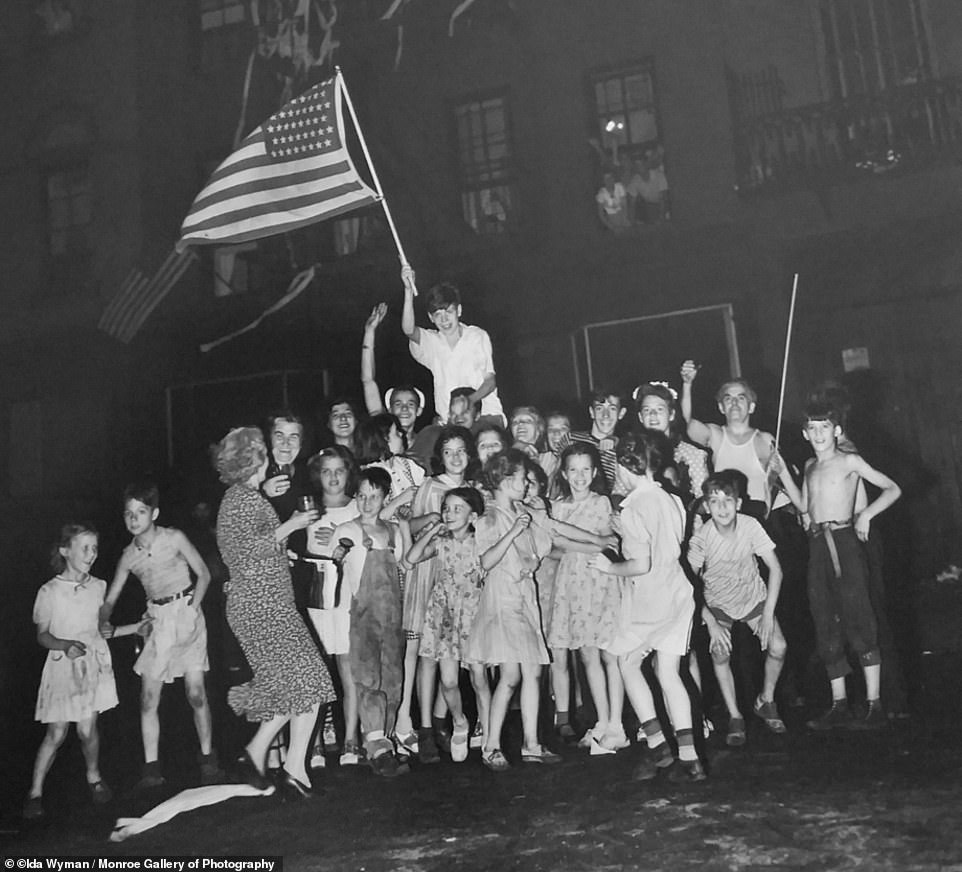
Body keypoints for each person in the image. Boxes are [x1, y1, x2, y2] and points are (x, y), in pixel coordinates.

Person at [214, 426, 335, 799]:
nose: (270, 455)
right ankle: (292, 769)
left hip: (265, 603)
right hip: (262, 607)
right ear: (255, 459)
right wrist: (292, 527)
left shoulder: (243, 498)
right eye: (265, 450)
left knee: (294, 687)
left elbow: (252, 552)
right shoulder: (240, 499)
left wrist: (286, 551)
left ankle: (259, 756)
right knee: (310, 683)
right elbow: (246, 551)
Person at [590, 431, 705, 782]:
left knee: (626, 663)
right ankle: (690, 758)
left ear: (626, 468)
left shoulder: (631, 507)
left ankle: (660, 749)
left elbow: (641, 564)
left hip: (652, 597)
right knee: (668, 673)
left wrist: (610, 566)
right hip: (679, 593)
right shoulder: (671, 499)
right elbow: (669, 543)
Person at [24, 523, 151, 821]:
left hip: (93, 667)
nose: (91, 554)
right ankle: (35, 792)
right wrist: (64, 644)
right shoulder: (49, 591)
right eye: (84, 548)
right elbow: (42, 635)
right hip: (62, 668)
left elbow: (102, 632)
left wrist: (137, 627)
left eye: (94, 548)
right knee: (56, 734)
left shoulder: (99, 587)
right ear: (65, 551)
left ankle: (94, 778)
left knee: (86, 730)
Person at [100, 481, 221, 789]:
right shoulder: (128, 556)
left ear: (154, 513)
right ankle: (151, 767)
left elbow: (204, 574)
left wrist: (193, 610)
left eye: (141, 512)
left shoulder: (174, 537)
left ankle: (208, 759)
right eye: (128, 513)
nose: (133, 519)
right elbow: (111, 598)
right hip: (157, 621)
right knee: (148, 698)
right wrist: (104, 618)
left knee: (196, 693)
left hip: (187, 612)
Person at [800, 402, 901, 731]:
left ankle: (874, 703)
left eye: (825, 427)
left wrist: (867, 515)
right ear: (805, 433)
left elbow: (892, 488)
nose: (818, 434)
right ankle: (839, 704)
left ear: (837, 431)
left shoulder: (850, 461)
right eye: (812, 429)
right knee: (824, 617)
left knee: (859, 616)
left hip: (844, 541)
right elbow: (805, 509)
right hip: (818, 545)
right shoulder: (808, 467)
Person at [687, 472, 788, 746]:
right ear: (707, 507)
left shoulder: (751, 525)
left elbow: (776, 570)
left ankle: (766, 700)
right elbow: (689, 581)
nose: (722, 508)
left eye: (728, 501)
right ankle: (735, 716)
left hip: (752, 597)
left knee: (778, 646)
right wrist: (710, 620)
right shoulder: (702, 537)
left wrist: (767, 613)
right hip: (718, 602)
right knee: (720, 652)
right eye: (715, 501)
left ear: (739, 503)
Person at [395, 425, 476, 763]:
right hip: (430, 573)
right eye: (448, 451)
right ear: (439, 457)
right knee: (426, 653)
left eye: (461, 451)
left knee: (454, 655)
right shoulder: (429, 486)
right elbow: (410, 527)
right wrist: (429, 521)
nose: (455, 457)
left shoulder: (474, 490)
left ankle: (446, 721)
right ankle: (425, 726)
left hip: (462, 580)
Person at [333, 467, 411, 776]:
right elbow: (335, 559)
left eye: (374, 496)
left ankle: (386, 741)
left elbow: (406, 562)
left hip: (392, 618)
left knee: (393, 680)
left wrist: (404, 525)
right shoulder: (348, 530)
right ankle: (376, 745)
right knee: (368, 680)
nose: (367, 503)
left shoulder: (391, 531)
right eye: (362, 496)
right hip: (363, 618)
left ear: (385, 498)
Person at [547, 444, 623, 753]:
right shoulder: (556, 507)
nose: (580, 476)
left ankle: (616, 723)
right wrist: (576, 544)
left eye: (585, 470)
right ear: (564, 474)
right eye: (573, 470)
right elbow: (552, 547)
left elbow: (612, 544)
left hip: (601, 582)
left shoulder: (602, 502)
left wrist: (570, 542)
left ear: (594, 472)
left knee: (610, 654)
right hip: (572, 587)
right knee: (588, 655)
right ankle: (602, 720)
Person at [408, 487, 490, 762]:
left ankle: (489, 732)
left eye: (458, 509)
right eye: (447, 508)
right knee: (449, 681)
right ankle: (459, 721)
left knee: (479, 677)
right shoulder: (441, 542)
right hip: (444, 616)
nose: (450, 513)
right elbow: (411, 558)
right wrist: (432, 530)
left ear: (473, 516)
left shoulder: (482, 541)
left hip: (473, 613)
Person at [301, 446, 361, 767]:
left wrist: (339, 540)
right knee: (318, 673)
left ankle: (352, 738)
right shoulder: (309, 512)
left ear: (349, 473)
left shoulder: (356, 510)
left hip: (349, 599)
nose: (334, 477)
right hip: (319, 602)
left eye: (340, 470)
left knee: (348, 672)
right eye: (327, 471)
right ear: (318, 476)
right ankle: (314, 743)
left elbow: (361, 545)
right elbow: (307, 550)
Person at [680, 363, 803, 519]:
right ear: (721, 407)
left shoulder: (765, 439)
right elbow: (688, 421)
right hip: (728, 520)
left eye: (741, 398)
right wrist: (687, 384)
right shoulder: (716, 435)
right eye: (728, 398)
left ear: (751, 407)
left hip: (762, 520)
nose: (734, 403)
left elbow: (781, 476)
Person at [401, 267, 505, 427]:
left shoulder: (477, 336)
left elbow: (490, 382)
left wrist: (470, 401)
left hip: (485, 418)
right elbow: (408, 330)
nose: (444, 320)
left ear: (459, 310)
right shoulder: (431, 342)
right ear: (431, 318)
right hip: (449, 424)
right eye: (438, 315)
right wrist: (408, 291)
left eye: (449, 312)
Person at [633, 381, 710, 506]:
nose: (653, 415)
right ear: (640, 417)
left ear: (671, 414)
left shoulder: (693, 455)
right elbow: (619, 492)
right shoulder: (632, 452)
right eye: (647, 410)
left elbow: (704, 501)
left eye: (659, 409)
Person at [355, 412, 425, 520]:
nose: (401, 434)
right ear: (383, 440)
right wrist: (400, 500)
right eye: (396, 432)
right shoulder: (368, 474)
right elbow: (371, 519)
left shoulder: (407, 464)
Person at [569, 389, 627, 495]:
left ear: (621, 413)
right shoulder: (571, 439)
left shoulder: (623, 450)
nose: (606, 415)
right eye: (599, 408)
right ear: (592, 412)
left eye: (612, 408)